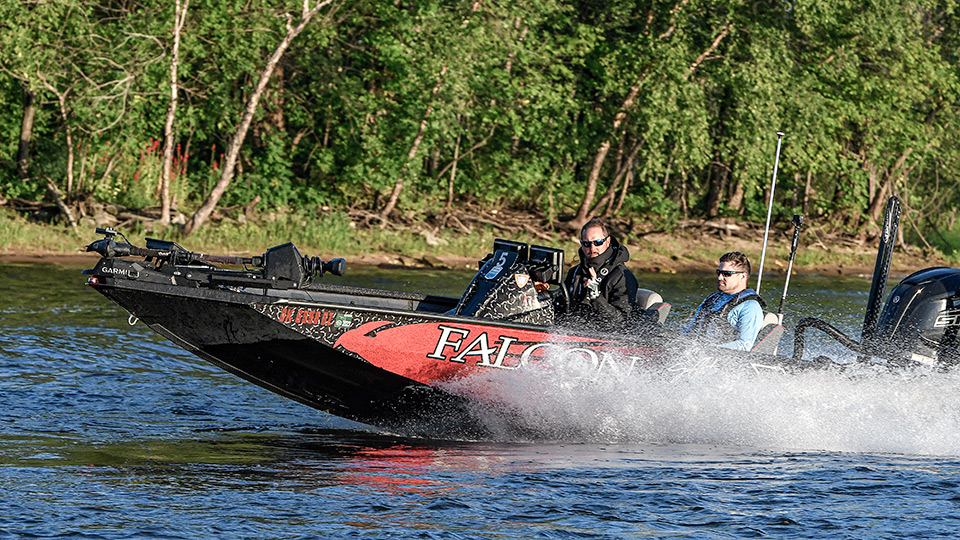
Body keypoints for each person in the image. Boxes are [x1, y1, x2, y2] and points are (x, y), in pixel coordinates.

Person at [561, 218, 638, 328]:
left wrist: (596, 297)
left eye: (598, 243)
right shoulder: (575, 272)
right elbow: (562, 306)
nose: (592, 248)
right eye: (586, 244)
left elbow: (621, 321)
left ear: (608, 241)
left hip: (604, 333)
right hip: (573, 329)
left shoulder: (622, 276)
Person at [683, 251, 766, 351]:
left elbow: (744, 345)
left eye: (726, 274)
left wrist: (705, 350)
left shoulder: (750, 307)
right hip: (696, 353)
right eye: (718, 272)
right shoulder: (713, 298)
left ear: (742, 276)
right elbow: (689, 330)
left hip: (720, 357)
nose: (720, 277)